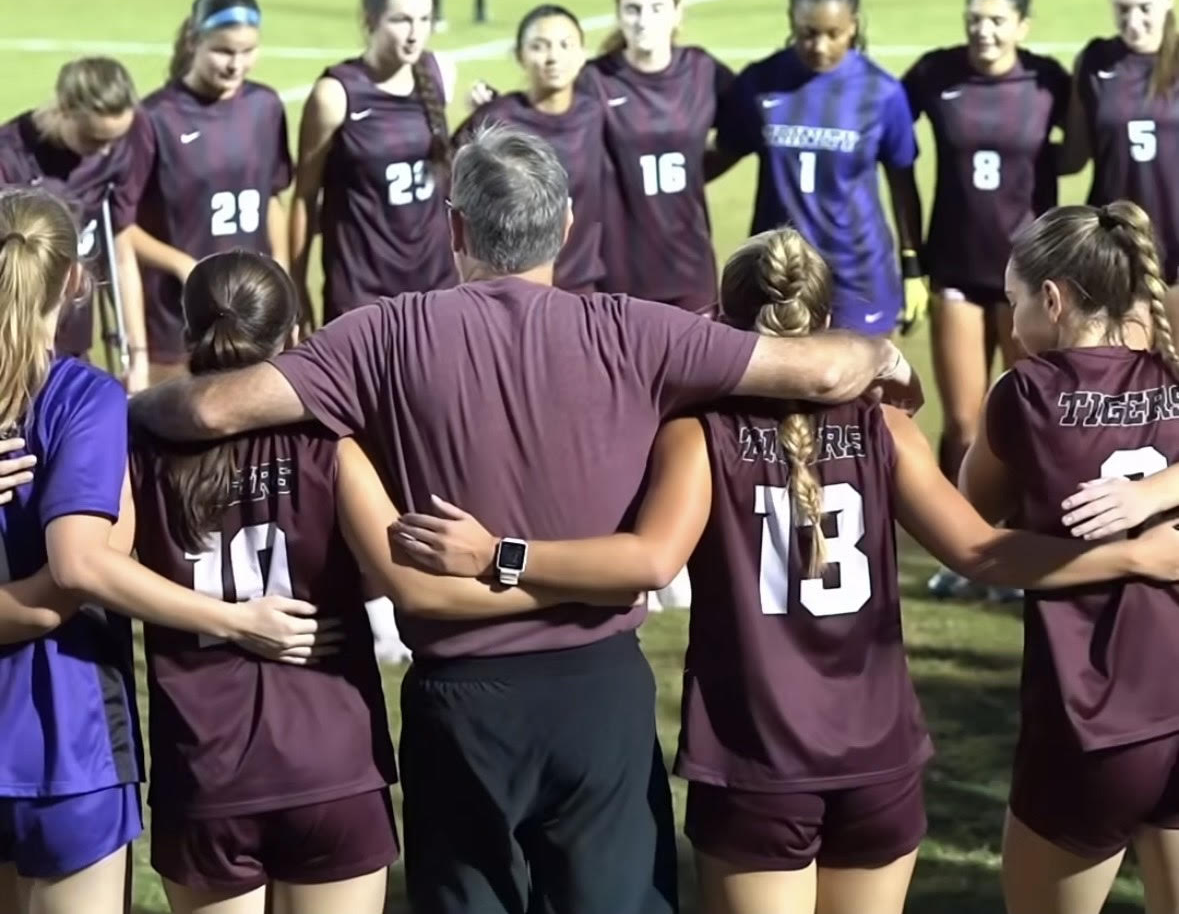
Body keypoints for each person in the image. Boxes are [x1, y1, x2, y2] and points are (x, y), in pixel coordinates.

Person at [129, 125, 922, 914]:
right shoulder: (635, 330)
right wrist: (882, 354)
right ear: (567, 225)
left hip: (460, 703)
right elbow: (822, 366)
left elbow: (206, 407)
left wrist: (127, 404)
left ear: (455, 229)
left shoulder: (380, 335)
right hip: (600, 693)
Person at [393, 224, 1179, 914]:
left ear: (726, 325)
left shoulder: (698, 436)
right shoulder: (886, 428)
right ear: (827, 321)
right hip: (877, 758)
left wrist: (499, 552)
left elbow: (647, 560)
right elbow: (979, 549)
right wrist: (1135, 554)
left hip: (756, 759)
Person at [0, 189, 326, 914]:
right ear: (77, 278)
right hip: (64, 740)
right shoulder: (83, 398)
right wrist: (239, 620)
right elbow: (75, 573)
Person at [130, 250, 398, 914]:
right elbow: (392, 570)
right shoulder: (332, 441)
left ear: (188, 334)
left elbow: (94, 567)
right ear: (293, 334)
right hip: (331, 760)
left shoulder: (140, 446)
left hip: (205, 768)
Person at [960, 200, 1179, 914]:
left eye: (1015, 299)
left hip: (1090, 722)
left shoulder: (1023, 393)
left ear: (1051, 300)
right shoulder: (1172, 369)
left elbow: (972, 524)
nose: (1011, 317)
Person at [903, 0, 1070, 599]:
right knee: (967, 424)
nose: (984, 29)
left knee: (1034, 419)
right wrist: (910, 251)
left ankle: (1024, 553)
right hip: (956, 270)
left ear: (1023, 26)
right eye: (975, 17)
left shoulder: (1049, 80)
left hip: (1031, 276)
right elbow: (891, 136)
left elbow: (1079, 153)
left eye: (998, 20)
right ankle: (964, 551)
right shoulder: (935, 74)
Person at [708, 0, 926, 338]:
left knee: (870, 396)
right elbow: (720, 155)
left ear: (854, 26)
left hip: (860, 278)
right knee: (781, 398)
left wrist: (912, 265)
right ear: (792, 20)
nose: (820, 46)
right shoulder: (760, 84)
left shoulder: (881, 92)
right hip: (779, 276)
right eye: (809, 33)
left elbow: (902, 183)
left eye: (833, 34)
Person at [128, 0, 293, 385]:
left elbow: (270, 198)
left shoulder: (266, 107)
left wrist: (283, 278)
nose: (236, 64)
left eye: (247, 51)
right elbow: (123, 227)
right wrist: (185, 266)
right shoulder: (155, 118)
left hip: (254, 315)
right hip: (178, 322)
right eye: (223, 51)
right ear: (194, 40)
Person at [290, 0, 457, 332]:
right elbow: (304, 196)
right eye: (401, 20)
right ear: (370, 19)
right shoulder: (335, 95)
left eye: (425, 19)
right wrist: (297, 287)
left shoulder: (441, 72)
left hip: (437, 287)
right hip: (361, 294)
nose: (415, 34)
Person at [593, 0, 734, 317]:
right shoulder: (595, 81)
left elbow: (751, 128)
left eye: (657, 9)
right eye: (633, 9)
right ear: (619, 14)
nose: (643, 20)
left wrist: (697, 170)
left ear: (677, 14)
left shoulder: (702, 71)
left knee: (698, 372)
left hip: (689, 269)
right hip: (618, 273)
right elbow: (543, 122)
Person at [0, 57, 149, 391]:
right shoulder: (8, 158)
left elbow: (120, 251)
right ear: (64, 108)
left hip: (74, 347)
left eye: (115, 139)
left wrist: (137, 355)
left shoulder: (124, 143)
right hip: (14, 349)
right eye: (94, 139)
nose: (106, 151)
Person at [1060, 0, 1179, 325]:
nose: (1133, 21)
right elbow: (1074, 156)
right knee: (1122, 379)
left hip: (1176, 253)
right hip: (1113, 255)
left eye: (1144, 8)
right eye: (1122, 9)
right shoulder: (1095, 61)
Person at [455, 4, 607, 294]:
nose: (553, 58)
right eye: (539, 46)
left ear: (582, 55)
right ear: (519, 55)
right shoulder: (496, 120)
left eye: (565, 45)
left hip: (581, 289)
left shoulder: (598, 114)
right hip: (507, 290)